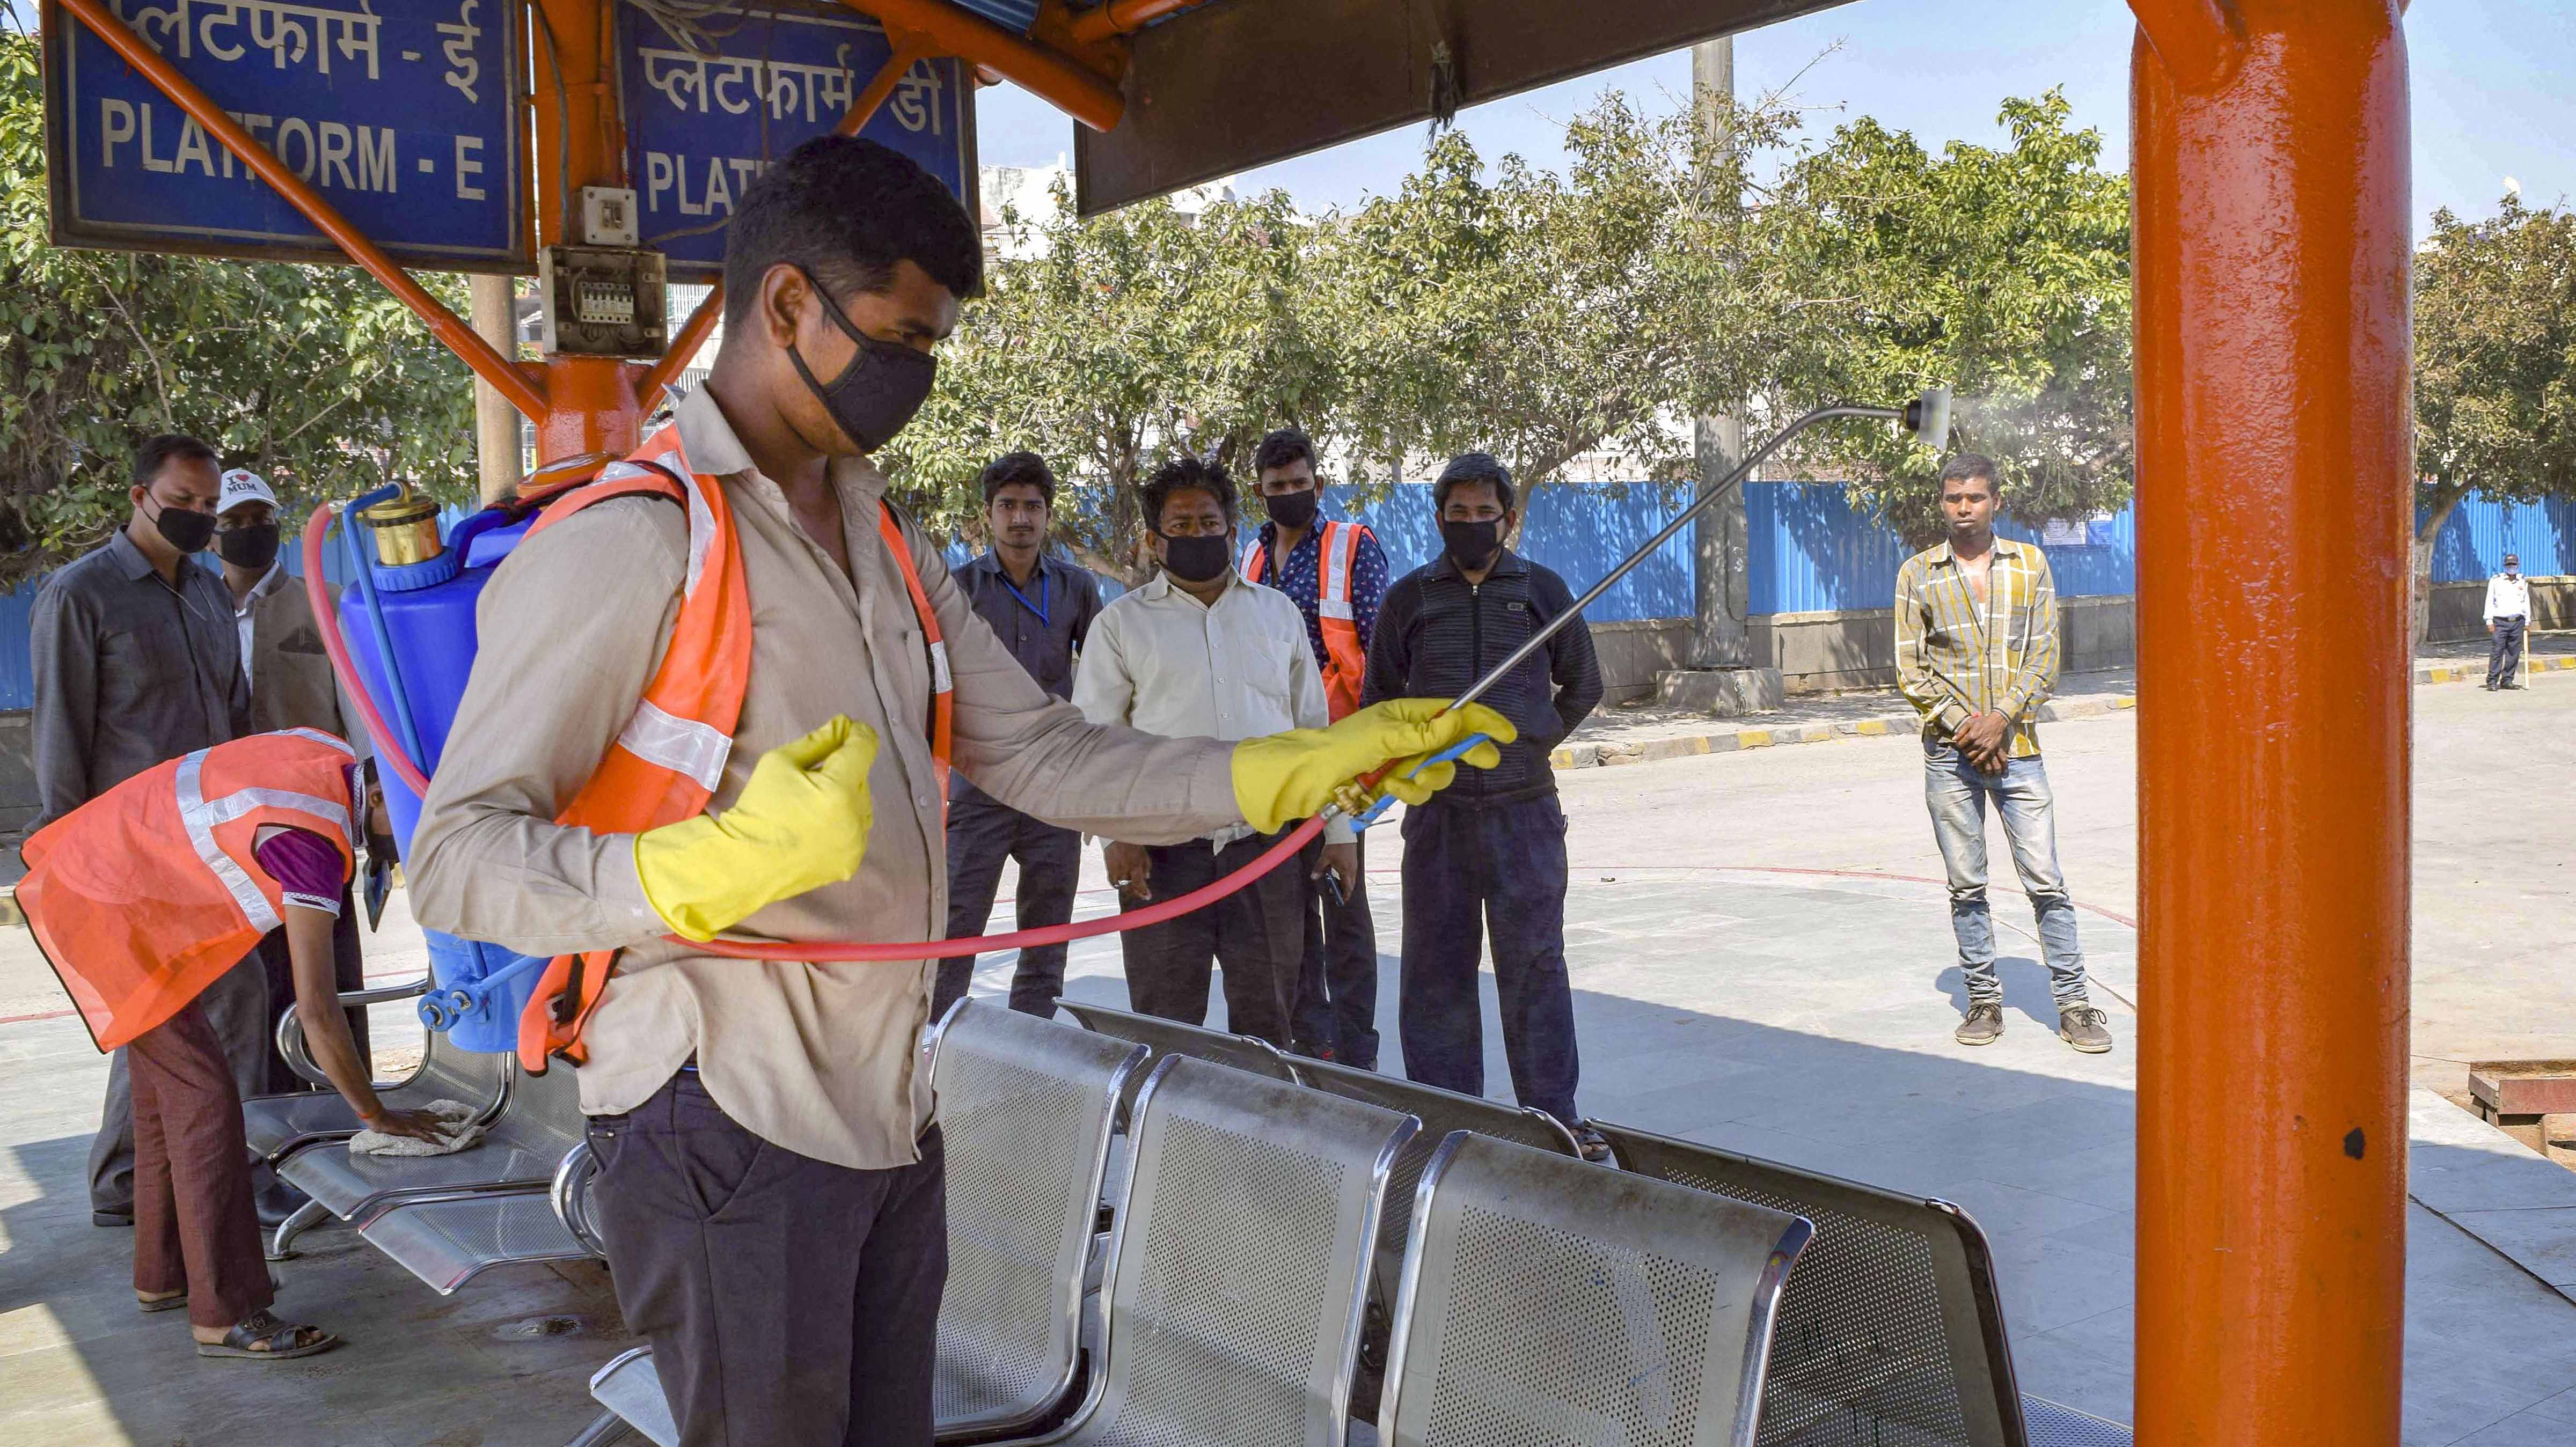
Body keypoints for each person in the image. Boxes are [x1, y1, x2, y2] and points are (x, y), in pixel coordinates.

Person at [406, 136, 1504, 1447]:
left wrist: (1280, 767)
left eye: (932, 348)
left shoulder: (881, 542)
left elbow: (1039, 752)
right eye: (899, 339)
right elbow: (458, 857)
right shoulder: (638, 540)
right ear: (789, 307)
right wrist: (674, 873)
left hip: (884, 1112)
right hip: (723, 1116)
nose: (915, 377)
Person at [15, 728, 448, 1361]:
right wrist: (376, 1115)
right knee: (206, 1102)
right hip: (107, 900)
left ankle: (162, 1275)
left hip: (105, 880)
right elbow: (319, 1013)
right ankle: (227, 1313)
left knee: (166, 1098)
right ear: (379, 796)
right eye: (411, 823)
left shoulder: (321, 752)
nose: (408, 843)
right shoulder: (311, 844)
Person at [29, 434, 260, 1230]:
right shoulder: (80, 595)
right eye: (183, 503)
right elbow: (60, 733)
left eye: (208, 506)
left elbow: (232, 715)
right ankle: (150, 1183)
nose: (199, 518)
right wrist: (67, 858)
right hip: (126, 849)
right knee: (165, 1019)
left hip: (209, 842)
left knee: (218, 1007)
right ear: (137, 497)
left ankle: (173, 1178)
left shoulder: (207, 591)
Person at [1363, 452, 1609, 1160]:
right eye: (1458, 513)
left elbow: (1582, 684)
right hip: (1437, 817)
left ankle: (1554, 1118)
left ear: (1510, 518)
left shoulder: (1541, 591)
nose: (1472, 525)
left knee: (1535, 963)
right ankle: (1449, 1123)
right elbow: (1379, 702)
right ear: (1438, 517)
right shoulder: (1410, 599)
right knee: (1436, 969)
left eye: (1485, 514)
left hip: (1524, 814)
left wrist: (1532, 742)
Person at [1075, 455, 1343, 1050]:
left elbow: (1314, 734)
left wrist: (1340, 833)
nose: (1198, 534)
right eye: (1182, 525)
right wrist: (1119, 835)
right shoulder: (1121, 626)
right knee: (1166, 1028)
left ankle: (1266, 1138)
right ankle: (1172, 1141)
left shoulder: (1277, 615)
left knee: (1272, 1023)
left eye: (1209, 522)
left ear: (1232, 525)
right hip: (1163, 858)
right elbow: (1097, 744)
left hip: (1267, 852)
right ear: (1154, 539)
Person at [1893, 453, 2112, 1055]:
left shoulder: (2030, 565)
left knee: (2047, 882)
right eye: (1953, 498)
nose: (1963, 508)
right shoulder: (1918, 573)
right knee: (1966, 885)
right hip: (1949, 756)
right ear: (1942, 503)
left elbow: (2045, 658)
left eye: (1975, 498)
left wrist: (2001, 721)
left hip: (2020, 750)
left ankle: (2074, 1005)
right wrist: (1969, 728)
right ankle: (1984, 1000)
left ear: (1997, 502)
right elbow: (1911, 668)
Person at [213, 468, 372, 1090]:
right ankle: (263, 1118)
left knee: (326, 974)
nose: (251, 532)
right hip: (234, 838)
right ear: (211, 537)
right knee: (251, 987)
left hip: (312, 824)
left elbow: (359, 713)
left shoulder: (321, 602)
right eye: (234, 523)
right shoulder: (199, 613)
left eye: (261, 520)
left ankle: (340, 1107)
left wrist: (371, 804)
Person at [932, 452, 1102, 1019]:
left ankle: (1028, 1065)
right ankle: (933, 1063)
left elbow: (1103, 686)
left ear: (1048, 515)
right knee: (954, 938)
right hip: (979, 791)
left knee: (1045, 944)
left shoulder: (1078, 588)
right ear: (987, 516)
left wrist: (1092, 788)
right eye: (1008, 506)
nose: (1021, 518)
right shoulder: (958, 590)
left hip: (1054, 794)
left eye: (1033, 506)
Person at [1242, 426, 1388, 1067]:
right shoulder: (1249, 556)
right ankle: (1312, 1037)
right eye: (1279, 488)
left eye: (1301, 484)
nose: (1291, 494)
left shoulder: (1351, 546)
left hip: (1339, 754)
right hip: (1276, 757)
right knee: (1289, 906)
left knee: (1344, 901)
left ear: (1319, 485)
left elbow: (1382, 650)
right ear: (1260, 493)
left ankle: (1357, 1050)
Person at [2486, 552, 2529, 691]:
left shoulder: (2522, 581)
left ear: (2518, 565)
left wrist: (2528, 621)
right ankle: (2492, 681)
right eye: (2509, 564)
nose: (2511, 567)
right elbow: (2489, 601)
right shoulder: (2496, 581)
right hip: (2500, 622)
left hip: (2518, 622)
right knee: (2497, 651)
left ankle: (2508, 680)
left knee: (2513, 652)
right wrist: (2489, 620)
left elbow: (2526, 602)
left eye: (2514, 564)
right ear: (2505, 566)